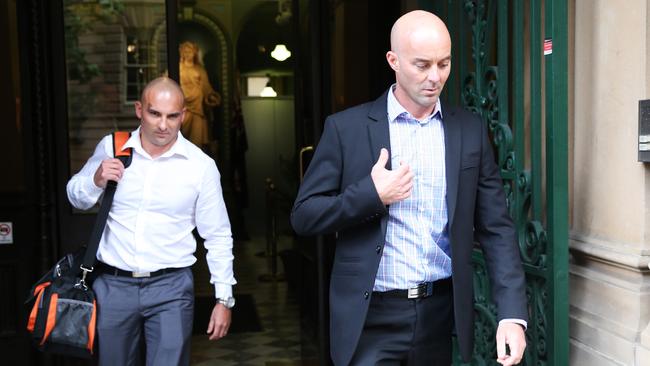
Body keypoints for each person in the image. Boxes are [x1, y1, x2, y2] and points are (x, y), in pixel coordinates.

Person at [291, 10, 527, 366]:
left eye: (444, 64)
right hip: (370, 315)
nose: (435, 77)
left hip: (438, 313)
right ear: (394, 61)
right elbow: (304, 216)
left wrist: (512, 314)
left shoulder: (469, 131)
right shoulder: (346, 129)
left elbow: (496, 228)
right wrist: (371, 195)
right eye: (422, 65)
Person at [67, 77, 236, 366]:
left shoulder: (200, 166)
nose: (163, 125)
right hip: (113, 285)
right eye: (154, 113)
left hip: (171, 288)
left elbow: (218, 235)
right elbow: (76, 198)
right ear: (139, 110)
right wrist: (95, 180)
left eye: (172, 116)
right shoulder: (112, 147)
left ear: (183, 115)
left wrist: (224, 299)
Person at [179, 41, 221, 150]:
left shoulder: (199, 69)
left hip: (198, 107)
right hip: (184, 105)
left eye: (190, 52)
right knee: (183, 135)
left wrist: (211, 96)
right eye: (185, 52)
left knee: (197, 140)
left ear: (195, 53)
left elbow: (206, 87)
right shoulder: (178, 68)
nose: (188, 54)